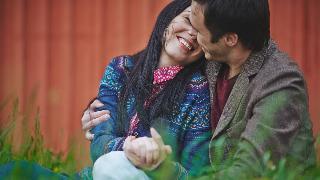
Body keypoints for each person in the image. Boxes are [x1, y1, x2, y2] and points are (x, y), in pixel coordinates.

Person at [84, 0, 316, 179]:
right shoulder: (215, 59)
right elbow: (152, 82)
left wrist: (163, 168)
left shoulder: (280, 84)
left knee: (111, 168)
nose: (192, 34)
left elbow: (246, 171)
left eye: (198, 26)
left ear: (229, 39)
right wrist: (102, 112)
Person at [81, 0, 212, 179]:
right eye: (189, 20)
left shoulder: (198, 92)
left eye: (201, 32)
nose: (192, 33)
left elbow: (195, 173)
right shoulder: (121, 68)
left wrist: (158, 164)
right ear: (168, 18)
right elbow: (99, 142)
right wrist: (129, 147)